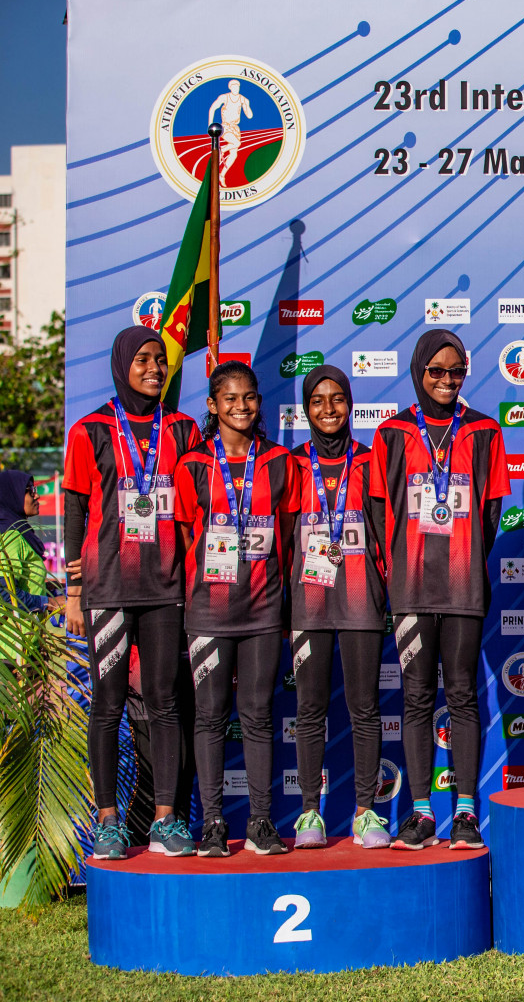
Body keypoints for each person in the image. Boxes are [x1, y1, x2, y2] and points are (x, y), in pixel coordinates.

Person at [63, 327, 202, 861]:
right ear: (122, 364)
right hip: (108, 589)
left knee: (166, 703)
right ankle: (109, 824)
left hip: (166, 588)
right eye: (142, 360)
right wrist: (75, 592)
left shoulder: (184, 428)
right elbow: (74, 509)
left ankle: (166, 821)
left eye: (160, 361)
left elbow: (197, 506)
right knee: (109, 704)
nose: (153, 369)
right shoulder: (90, 430)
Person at [371, 330, 509, 849]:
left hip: (462, 586)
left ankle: (467, 814)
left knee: (463, 698)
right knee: (416, 699)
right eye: (437, 372)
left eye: (456, 372)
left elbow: (492, 512)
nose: (447, 381)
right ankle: (423, 814)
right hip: (409, 588)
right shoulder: (393, 433)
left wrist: (466, 559)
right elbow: (380, 510)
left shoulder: (484, 431)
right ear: (418, 372)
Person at [173, 360, 296, 857]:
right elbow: (184, 535)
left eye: (250, 397)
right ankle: (214, 825)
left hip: (264, 608)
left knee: (258, 715)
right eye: (230, 398)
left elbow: (287, 535)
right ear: (211, 405)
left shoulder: (279, 462)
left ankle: (262, 823)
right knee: (209, 717)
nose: (241, 406)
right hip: (208, 610)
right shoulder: (193, 465)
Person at [286, 366, 391, 849]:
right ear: (306, 409)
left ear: (350, 404)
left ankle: (366, 812)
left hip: (359, 602)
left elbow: (388, 535)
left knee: (364, 708)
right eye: (317, 401)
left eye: (338, 399)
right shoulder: (290, 465)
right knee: (309, 709)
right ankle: (310, 813)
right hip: (307, 603)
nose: (328, 410)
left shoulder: (371, 461)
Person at [0, 472, 61, 613]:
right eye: (31, 491)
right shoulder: (10, 537)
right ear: (11, 495)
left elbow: (19, 586)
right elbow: (5, 593)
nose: (37, 496)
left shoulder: (20, 533)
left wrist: (47, 589)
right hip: (14, 634)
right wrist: (50, 603)